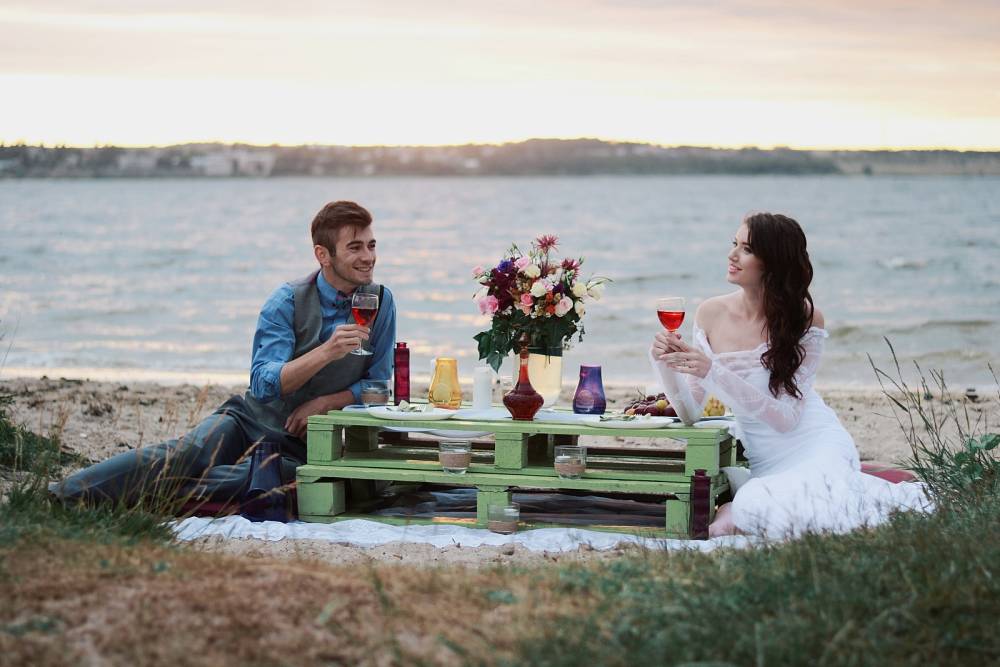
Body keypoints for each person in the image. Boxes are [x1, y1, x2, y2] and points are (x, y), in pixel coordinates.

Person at [50, 200, 396, 505]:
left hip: (306, 444)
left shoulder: (381, 301)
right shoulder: (287, 300)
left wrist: (325, 403)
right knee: (186, 454)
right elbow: (263, 384)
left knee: (266, 480)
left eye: (371, 245)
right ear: (323, 255)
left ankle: (149, 493)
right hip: (248, 421)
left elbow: (378, 384)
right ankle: (62, 494)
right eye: (355, 247)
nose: (368, 257)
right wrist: (325, 352)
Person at [650, 212, 931, 538]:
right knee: (762, 503)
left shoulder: (806, 319)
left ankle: (733, 511)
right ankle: (735, 510)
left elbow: (785, 417)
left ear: (773, 262)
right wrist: (663, 362)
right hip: (768, 463)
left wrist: (713, 372)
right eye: (734, 244)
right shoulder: (710, 314)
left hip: (816, 443)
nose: (732, 255)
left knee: (829, 510)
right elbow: (690, 412)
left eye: (747, 249)